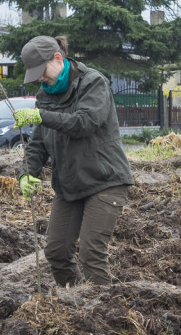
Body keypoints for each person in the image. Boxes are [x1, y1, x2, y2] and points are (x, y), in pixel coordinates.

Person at [12, 35, 133, 286]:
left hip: (105, 180)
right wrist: (27, 172)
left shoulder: (93, 83)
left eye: (41, 71)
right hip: (69, 184)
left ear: (58, 58)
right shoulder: (45, 94)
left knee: (91, 255)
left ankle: (101, 313)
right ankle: (75, 302)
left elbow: (84, 123)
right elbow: (37, 143)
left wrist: (41, 116)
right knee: (56, 252)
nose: (39, 78)